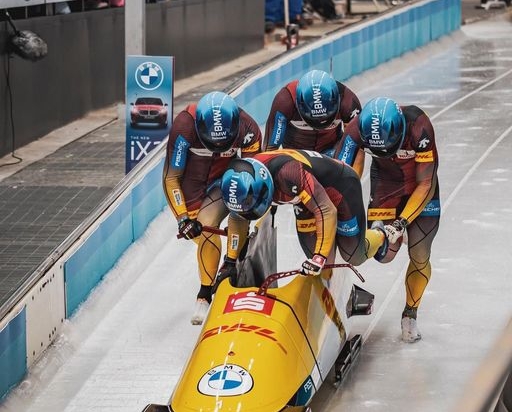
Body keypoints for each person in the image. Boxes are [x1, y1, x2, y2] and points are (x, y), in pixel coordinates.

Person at [333, 97, 440, 343]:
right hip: (386, 186)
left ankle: (410, 313)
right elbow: (338, 172)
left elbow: (426, 182)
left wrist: (401, 222)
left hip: (422, 188)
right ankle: (381, 234)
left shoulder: (419, 126)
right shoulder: (357, 128)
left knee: (420, 253)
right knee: (384, 255)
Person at [162, 91, 262, 325]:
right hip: (192, 186)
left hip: (224, 180)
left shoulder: (248, 129)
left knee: (241, 197)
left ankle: (218, 276)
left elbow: (255, 174)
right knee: (203, 228)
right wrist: (183, 218)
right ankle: (211, 285)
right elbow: (170, 178)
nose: (218, 147)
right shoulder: (184, 126)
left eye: (224, 144)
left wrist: (251, 208)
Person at [216, 149, 388, 285]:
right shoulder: (238, 185)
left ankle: (380, 233)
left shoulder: (288, 173)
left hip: (340, 190)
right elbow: (238, 218)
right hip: (306, 200)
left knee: (353, 256)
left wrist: (319, 257)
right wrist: (230, 261)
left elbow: (326, 210)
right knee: (323, 269)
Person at [263, 69, 361, 157]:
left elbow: (356, 146)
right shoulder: (285, 100)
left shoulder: (348, 102)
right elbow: (270, 149)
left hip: (331, 153)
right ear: (298, 104)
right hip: (296, 155)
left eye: (324, 119)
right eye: (314, 120)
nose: (319, 123)